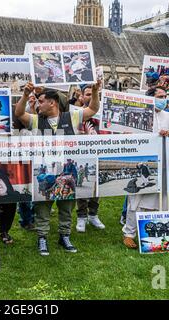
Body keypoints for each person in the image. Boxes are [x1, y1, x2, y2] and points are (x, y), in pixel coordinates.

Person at [15, 80, 100, 256]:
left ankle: (65, 235)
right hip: (45, 173)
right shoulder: (37, 120)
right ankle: (42, 237)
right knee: (43, 206)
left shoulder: (73, 116)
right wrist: (24, 95)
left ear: (52, 102)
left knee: (66, 206)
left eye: (41, 101)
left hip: (67, 173)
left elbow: (93, 109)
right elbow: (19, 113)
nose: (39, 104)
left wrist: (96, 91)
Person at [122, 86, 169, 249]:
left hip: (163, 164)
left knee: (161, 199)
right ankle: (129, 234)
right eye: (160, 96)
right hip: (144, 162)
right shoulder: (137, 115)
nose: (163, 99)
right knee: (136, 199)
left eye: (165, 96)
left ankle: (156, 231)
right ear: (150, 98)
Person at [73, 84, 105, 232]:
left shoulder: (103, 115)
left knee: (97, 186)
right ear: (81, 96)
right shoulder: (75, 114)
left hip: (99, 154)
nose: (90, 97)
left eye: (93, 94)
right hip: (81, 155)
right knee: (81, 184)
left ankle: (93, 214)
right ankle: (81, 216)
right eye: (87, 94)